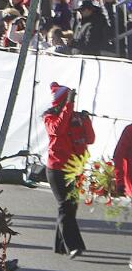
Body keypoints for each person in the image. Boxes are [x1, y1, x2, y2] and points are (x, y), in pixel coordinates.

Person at [43, 83, 93, 257]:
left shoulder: (75, 117)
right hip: (56, 169)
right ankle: (73, 245)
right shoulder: (50, 117)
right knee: (65, 205)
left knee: (70, 207)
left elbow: (90, 139)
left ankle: (60, 245)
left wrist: (86, 121)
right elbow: (58, 129)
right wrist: (69, 106)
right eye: (68, 100)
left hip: (74, 169)